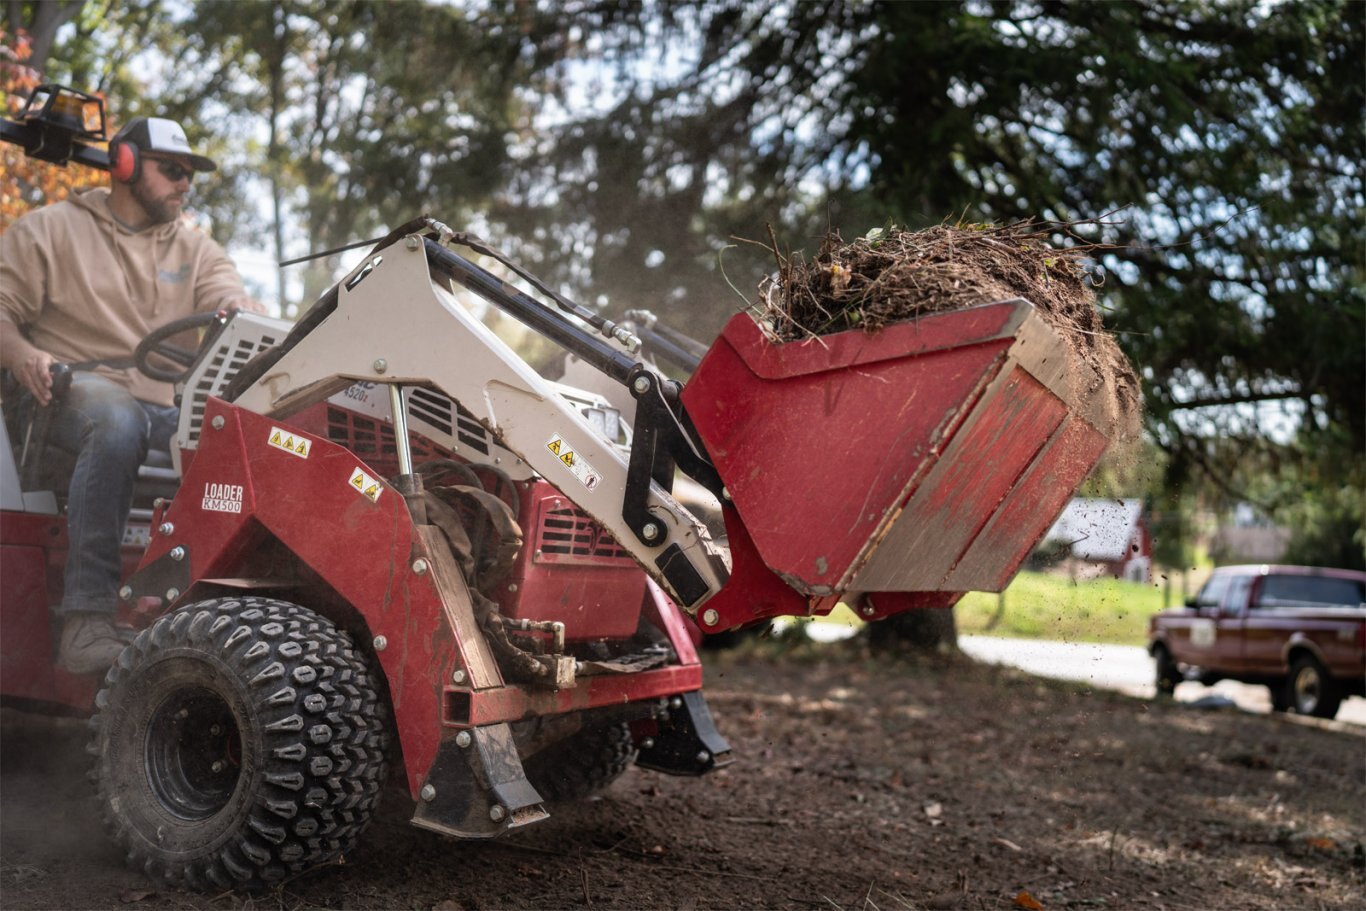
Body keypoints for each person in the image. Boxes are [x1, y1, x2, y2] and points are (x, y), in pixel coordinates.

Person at [0, 115, 263, 674]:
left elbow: (231, 297)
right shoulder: (49, 230)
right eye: (172, 170)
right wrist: (24, 357)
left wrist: (244, 311)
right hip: (63, 395)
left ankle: (195, 618)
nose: (184, 183)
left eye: (190, 174)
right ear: (123, 165)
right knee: (118, 421)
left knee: (238, 446)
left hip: (162, 403)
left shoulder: (196, 248)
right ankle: (85, 622)